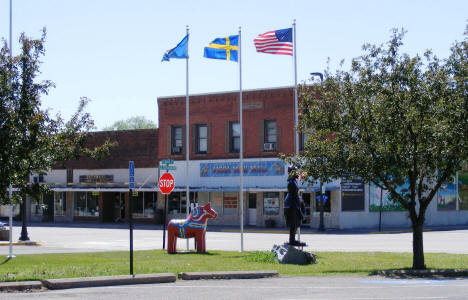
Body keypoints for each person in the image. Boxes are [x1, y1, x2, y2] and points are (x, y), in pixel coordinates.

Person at [284, 166, 306, 246]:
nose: (297, 173)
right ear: (292, 172)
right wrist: (300, 203)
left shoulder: (293, 181)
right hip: (291, 204)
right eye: (295, 171)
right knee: (294, 223)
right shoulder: (291, 183)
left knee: (295, 223)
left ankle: (292, 240)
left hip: (292, 203)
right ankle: (292, 240)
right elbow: (295, 195)